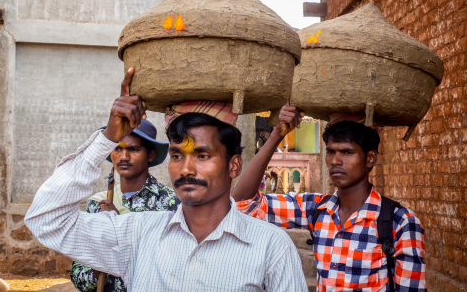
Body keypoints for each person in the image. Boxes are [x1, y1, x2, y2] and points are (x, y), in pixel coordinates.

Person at [25, 68, 308, 292]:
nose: (185, 169)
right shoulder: (137, 234)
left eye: (202, 156)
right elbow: (45, 219)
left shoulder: (271, 246)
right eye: (176, 156)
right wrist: (106, 139)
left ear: (233, 165)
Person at [232, 105, 426, 291]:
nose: (335, 160)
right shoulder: (315, 209)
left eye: (347, 152)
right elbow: (243, 204)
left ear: (370, 158)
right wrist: (277, 135)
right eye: (331, 151)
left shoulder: (400, 222)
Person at [70, 119, 180, 292]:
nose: (123, 157)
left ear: (150, 155)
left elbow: (174, 270)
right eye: (117, 148)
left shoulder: (170, 203)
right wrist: (96, 266)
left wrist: (118, 228)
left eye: (133, 149)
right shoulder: (97, 205)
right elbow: (78, 278)